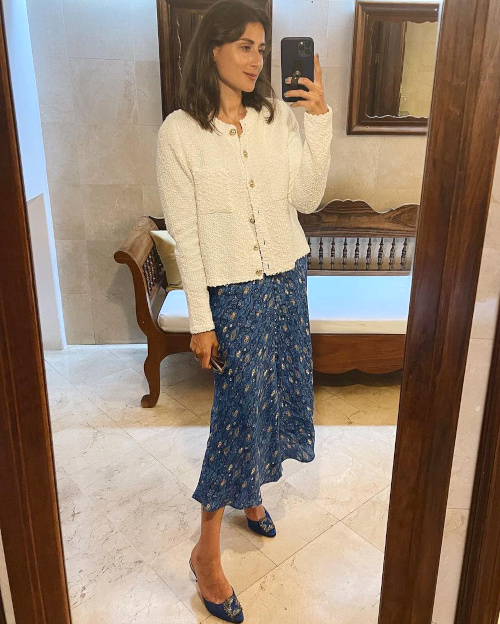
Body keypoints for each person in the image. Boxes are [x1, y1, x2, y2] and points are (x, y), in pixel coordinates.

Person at [156, 1, 333, 620]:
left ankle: (250, 495)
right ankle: (205, 551)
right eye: (245, 47)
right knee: (237, 411)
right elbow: (186, 234)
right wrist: (201, 320)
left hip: (287, 276)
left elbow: (307, 198)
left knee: (278, 393)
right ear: (213, 49)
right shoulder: (179, 132)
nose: (258, 60)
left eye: (262, 48)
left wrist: (317, 120)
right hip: (232, 292)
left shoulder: (275, 116)